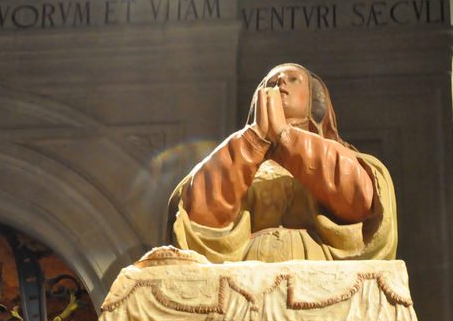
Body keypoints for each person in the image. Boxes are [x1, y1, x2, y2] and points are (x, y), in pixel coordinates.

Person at [168, 63, 397, 262]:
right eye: (272, 82)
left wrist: (285, 137)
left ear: (314, 99)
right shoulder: (241, 153)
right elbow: (198, 211)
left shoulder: (345, 157)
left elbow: (360, 199)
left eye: (293, 79)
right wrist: (254, 139)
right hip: (246, 276)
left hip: (319, 276)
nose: (280, 84)